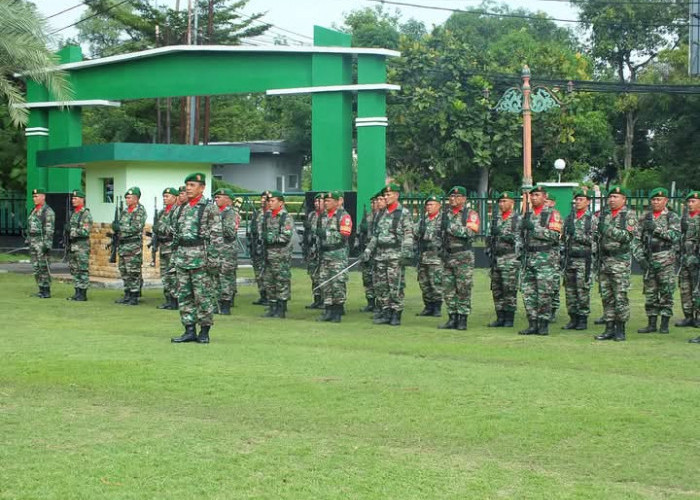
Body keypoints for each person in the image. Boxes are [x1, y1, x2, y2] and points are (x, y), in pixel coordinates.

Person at [171, 172, 220, 343]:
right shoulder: (181, 208)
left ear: (202, 187)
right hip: (182, 257)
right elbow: (176, 234)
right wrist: (174, 256)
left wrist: (213, 260)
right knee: (184, 296)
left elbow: (216, 236)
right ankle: (189, 329)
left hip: (201, 257)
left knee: (202, 296)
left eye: (192, 185)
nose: (188, 188)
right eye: (187, 185)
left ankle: (204, 331)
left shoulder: (208, 208)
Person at [362, 183, 413, 326]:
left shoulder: (403, 213)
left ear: (396, 195)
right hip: (380, 255)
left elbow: (408, 234)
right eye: (385, 195)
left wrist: (406, 253)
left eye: (389, 195)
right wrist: (368, 251)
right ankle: (386, 312)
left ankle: (396, 313)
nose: (386, 197)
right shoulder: (381, 213)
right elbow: (376, 236)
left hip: (395, 254)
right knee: (381, 285)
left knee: (395, 286)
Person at [633, 187, 681, 334]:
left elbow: (675, 236)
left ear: (665, 201)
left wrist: (656, 229)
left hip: (665, 259)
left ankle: (664, 324)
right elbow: (636, 240)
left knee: (666, 292)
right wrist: (640, 258)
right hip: (649, 259)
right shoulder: (644, 218)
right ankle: (651, 323)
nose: (655, 202)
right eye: (653, 199)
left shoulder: (671, 217)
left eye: (659, 199)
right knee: (650, 293)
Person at [594, 185, 639, 341]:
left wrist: (607, 229)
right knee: (607, 296)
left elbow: (628, 236)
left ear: (623, 199)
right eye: (610, 197)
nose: (612, 200)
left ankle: (620, 329)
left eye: (615, 197)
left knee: (620, 296)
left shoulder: (629, 215)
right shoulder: (605, 215)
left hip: (620, 261)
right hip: (605, 260)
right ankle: (609, 327)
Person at [518, 186, 562, 336]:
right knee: (528, 293)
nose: (534, 198)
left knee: (544, 293)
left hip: (545, 260)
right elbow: (520, 235)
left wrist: (535, 229)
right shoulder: (527, 215)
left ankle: (543, 324)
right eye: (532, 195)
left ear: (544, 197)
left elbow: (555, 236)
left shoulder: (552, 214)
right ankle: (532, 323)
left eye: (537, 195)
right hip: (528, 258)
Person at [439, 186, 480, 331]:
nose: (453, 199)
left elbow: (470, 232)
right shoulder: (444, 214)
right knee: (448, 288)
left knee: (463, 288)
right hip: (447, 256)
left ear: (464, 199)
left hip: (463, 256)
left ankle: (462, 319)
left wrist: (449, 227)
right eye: (451, 197)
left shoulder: (470, 214)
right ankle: (452, 317)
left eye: (457, 197)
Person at [316, 190, 353, 323]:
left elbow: (344, 235)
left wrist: (325, 234)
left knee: (337, 283)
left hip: (337, 255)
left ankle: (337, 311)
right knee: (325, 282)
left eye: (329, 201)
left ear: (338, 202)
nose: (326, 203)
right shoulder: (323, 216)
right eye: (325, 201)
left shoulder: (344, 216)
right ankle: (328, 310)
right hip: (325, 254)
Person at [561, 189, 595, 330]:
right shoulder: (569, 218)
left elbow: (595, 241)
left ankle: (582, 319)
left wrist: (577, 236)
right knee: (570, 291)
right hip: (570, 259)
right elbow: (563, 239)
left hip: (584, 260)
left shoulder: (591, 219)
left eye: (581, 199)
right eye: (577, 199)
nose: (578, 202)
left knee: (582, 290)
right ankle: (573, 318)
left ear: (588, 201)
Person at [487, 191, 521, 328]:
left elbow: (521, 238)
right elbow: (489, 238)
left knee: (509, 289)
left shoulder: (517, 219)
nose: (502, 204)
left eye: (505, 201)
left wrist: (505, 236)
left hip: (510, 258)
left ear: (512, 203)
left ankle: (509, 318)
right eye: (500, 202)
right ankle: (500, 316)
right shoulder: (496, 219)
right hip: (497, 258)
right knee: (497, 289)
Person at [260, 191, 295, 318]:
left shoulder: (286, 217)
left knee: (281, 281)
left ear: (281, 202)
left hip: (281, 254)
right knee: (269, 281)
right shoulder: (267, 216)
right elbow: (261, 232)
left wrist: (269, 237)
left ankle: (281, 308)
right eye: (269, 201)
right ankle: (272, 306)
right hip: (268, 253)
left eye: (273, 201)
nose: (270, 203)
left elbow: (285, 236)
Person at [113, 186, 147, 305]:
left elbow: (136, 227)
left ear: (136, 199)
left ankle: (134, 295)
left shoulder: (140, 211)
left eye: (129, 198)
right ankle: (127, 293)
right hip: (123, 246)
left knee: (133, 271)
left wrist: (120, 228)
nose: (127, 200)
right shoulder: (125, 211)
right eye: (126, 198)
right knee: (124, 270)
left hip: (133, 246)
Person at [211, 188, 240, 315]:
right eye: (215, 197)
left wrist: (217, 225)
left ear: (228, 199)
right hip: (215, 250)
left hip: (227, 250)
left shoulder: (231, 214)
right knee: (215, 278)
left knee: (225, 278)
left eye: (219, 197)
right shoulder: (215, 213)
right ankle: (216, 304)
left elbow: (230, 232)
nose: (216, 199)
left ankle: (226, 304)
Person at [415, 194, 444, 317]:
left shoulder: (443, 220)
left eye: (431, 204)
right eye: (427, 205)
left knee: (435, 282)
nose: (429, 207)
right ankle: (428, 306)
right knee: (424, 283)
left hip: (436, 255)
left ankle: (437, 307)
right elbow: (414, 232)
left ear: (439, 206)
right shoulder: (423, 220)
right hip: (423, 255)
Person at [678, 191, 700, 340]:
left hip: (697, 260)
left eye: (693, 201)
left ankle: (698, 317)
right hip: (685, 259)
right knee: (685, 288)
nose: (690, 204)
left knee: (697, 290)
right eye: (689, 202)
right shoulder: (684, 218)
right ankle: (688, 316)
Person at [26, 188, 55, 298]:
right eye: (33, 196)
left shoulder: (48, 211)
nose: (34, 198)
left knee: (44, 266)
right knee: (36, 266)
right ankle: (40, 289)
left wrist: (46, 245)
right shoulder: (33, 210)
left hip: (42, 242)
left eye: (37, 196)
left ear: (43, 197)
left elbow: (49, 230)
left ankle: (46, 290)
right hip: (33, 242)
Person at [65, 190, 93, 301]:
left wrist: (71, 230)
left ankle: (83, 293)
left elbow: (85, 231)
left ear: (82, 200)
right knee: (74, 269)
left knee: (82, 269)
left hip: (82, 246)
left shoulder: (85, 214)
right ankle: (77, 292)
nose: (73, 200)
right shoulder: (74, 213)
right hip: (73, 245)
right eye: (72, 198)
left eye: (75, 199)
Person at [154, 187, 179, 310]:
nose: (165, 198)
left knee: (173, 275)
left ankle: (175, 300)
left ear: (175, 198)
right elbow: (156, 227)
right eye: (164, 196)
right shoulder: (161, 212)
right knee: (164, 274)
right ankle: (168, 299)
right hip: (163, 246)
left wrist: (160, 228)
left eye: (167, 196)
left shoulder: (177, 211)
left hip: (172, 247)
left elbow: (173, 229)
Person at [357, 194, 377, 312]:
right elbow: (360, 234)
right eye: (372, 203)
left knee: (377, 278)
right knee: (367, 278)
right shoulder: (368, 217)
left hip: (376, 251)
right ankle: (370, 302)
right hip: (365, 250)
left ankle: (380, 304)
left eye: (375, 202)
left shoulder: (382, 217)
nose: (373, 205)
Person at [304, 193, 324, 310]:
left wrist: (311, 228)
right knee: (313, 275)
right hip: (312, 249)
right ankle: (316, 298)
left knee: (322, 275)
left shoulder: (327, 216)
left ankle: (324, 299)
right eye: (316, 202)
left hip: (322, 249)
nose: (317, 204)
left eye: (319, 201)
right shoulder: (312, 215)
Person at [250, 191, 269, 305]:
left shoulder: (272, 214)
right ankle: (262, 294)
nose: (262, 201)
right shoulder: (257, 213)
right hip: (257, 245)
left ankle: (270, 296)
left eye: (265, 199)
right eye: (261, 198)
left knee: (267, 272)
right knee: (258, 272)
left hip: (268, 247)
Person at [546, 194, 562, 321]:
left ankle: (553, 309)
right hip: (539, 255)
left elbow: (555, 235)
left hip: (552, 254)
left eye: (547, 201)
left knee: (553, 283)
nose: (545, 203)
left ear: (552, 203)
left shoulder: (554, 214)